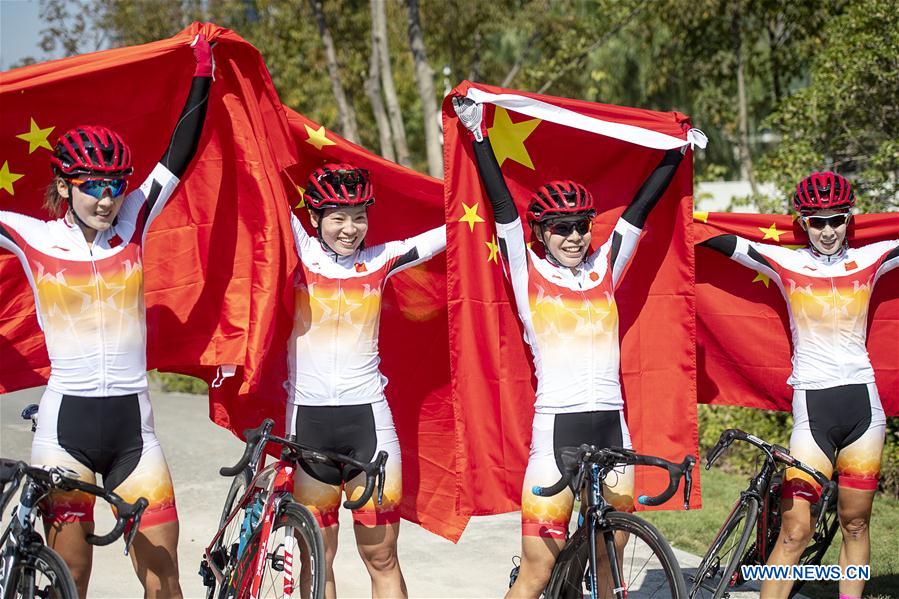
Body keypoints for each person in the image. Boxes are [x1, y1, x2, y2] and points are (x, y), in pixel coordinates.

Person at [0, 36, 213, 599]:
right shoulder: (33, 235)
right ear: (65, 185)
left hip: (132, 431)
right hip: (63, 431)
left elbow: (180, 153)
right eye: (92, 186)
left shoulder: (136, 220)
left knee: (164, 578)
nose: (106, 199)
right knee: (70, 579)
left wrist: (202, 70)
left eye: (115, 186)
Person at [453, 96, 686, 598]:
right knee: (539, 571)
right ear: (541, 233)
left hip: (611, 423)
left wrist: (676, 152)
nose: (576, 236)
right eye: (562, 228)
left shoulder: (606, 267)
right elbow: (500, 209)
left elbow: (642, 208)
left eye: (582, 226)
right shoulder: (527, 270)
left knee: (613, 553)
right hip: (557, 430)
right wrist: (478, 134)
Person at [699, 171, 899, 599]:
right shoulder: (786, 262)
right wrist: (674, 211)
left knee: (856, 523)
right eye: (816, 221)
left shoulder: (873, 258)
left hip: (865, 409)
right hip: (813, 413)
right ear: (803, 222)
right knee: (793, 531)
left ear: (850, 219)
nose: (827, 230)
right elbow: (715, 238)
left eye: (837, 219)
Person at [286, 163, 446, 599]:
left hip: (369, 425)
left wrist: (484, 177)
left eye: (359, 216)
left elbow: (449, 230)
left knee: (382, 557)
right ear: (314, 218)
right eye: (338, 216)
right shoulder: (301, 251)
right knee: (317, 555)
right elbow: (261, 179)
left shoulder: (380, 260)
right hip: (308, 425)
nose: (350, 228)